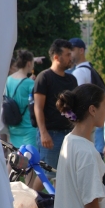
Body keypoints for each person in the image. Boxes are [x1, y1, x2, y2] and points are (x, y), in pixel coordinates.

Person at [33, 39, 77, 190]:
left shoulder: (72, 79)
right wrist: (44, 134)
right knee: (47, 175)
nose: (71, 57)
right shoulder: (44, 77)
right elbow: (38, 107)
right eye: (67, 54)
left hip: (70, 134)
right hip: (51, 135)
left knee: (66, 175)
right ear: (57, 57)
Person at [67, 38, 105, 158]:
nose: (70, 54)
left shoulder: (79, 72)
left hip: (87, 124)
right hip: (95, 121)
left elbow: (78, 100)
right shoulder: (90, 69)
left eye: (72, 50)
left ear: (81, 50)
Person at [5, 50, 37, 148]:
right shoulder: (30, 83)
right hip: (28, 128)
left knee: (15, 159)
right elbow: (34, 104)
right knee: (29, 159)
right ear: (28, 63)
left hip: (13, 126)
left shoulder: (8, 79)